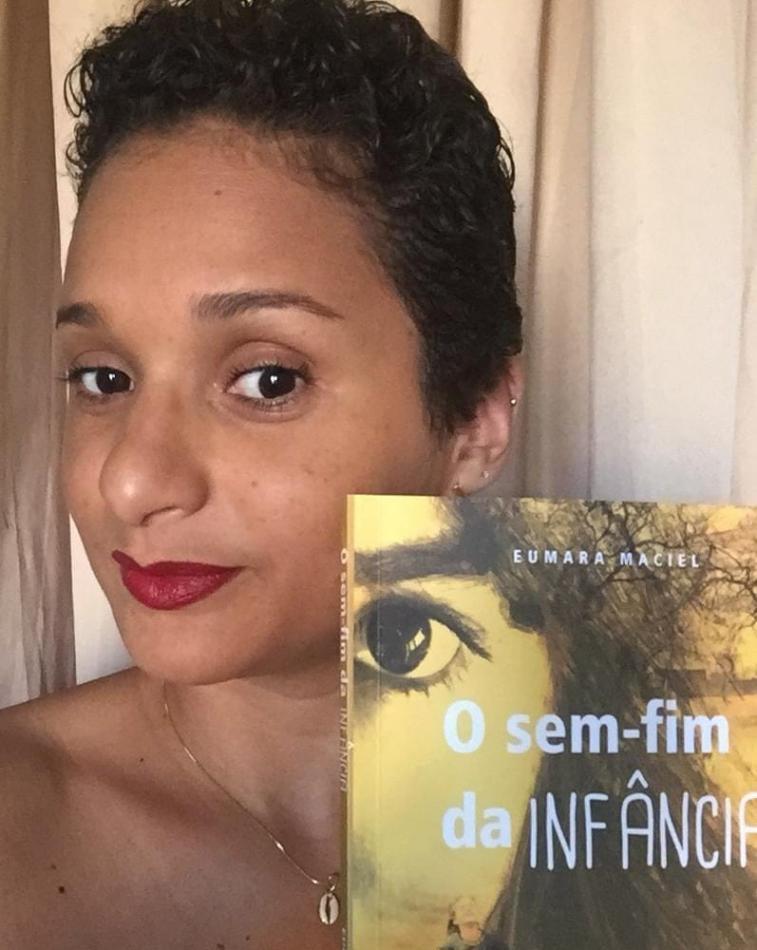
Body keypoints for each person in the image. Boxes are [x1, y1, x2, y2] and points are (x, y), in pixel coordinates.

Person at [0, 1, 522, 948]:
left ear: (474, 422)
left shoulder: (655, 805)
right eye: (103, 378)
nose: (130, 483)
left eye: (267, 380)